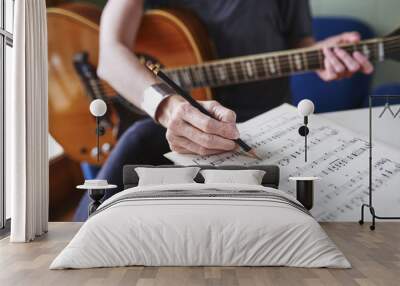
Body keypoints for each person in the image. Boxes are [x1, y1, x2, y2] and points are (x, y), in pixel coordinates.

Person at [74, 0, 373, 221]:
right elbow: (110, 56)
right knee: (136, 145)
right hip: (163, 129)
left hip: (261, 131)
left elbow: (302, 44)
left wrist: (322, 56)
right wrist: (167, 106)